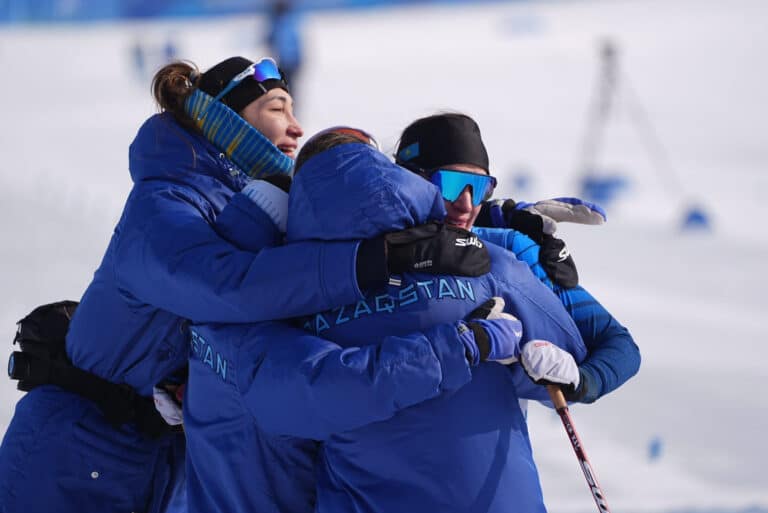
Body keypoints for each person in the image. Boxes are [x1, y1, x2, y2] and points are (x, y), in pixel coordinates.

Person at [0, 59, 487, 513]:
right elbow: (230, 286)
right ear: (224, 120)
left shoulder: (259, 203)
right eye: (277, 109)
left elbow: (351, 218)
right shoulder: (162, 204)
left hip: (160, 459)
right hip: (73, 450)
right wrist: (374, 262)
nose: (297, 127)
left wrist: (497, 223)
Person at [187, 129, 590, 513]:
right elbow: (580, 354)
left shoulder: (269, 296)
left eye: (479, 189)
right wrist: (470, 346)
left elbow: (291, 395)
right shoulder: (485, 266)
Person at [394, 112, 641, 405]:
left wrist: (582, 381)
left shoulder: (513, 248)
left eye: (480, 188)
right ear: (412, 182)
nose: (467, 204)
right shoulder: (361, 252)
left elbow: (619, 345)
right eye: (451, 184)